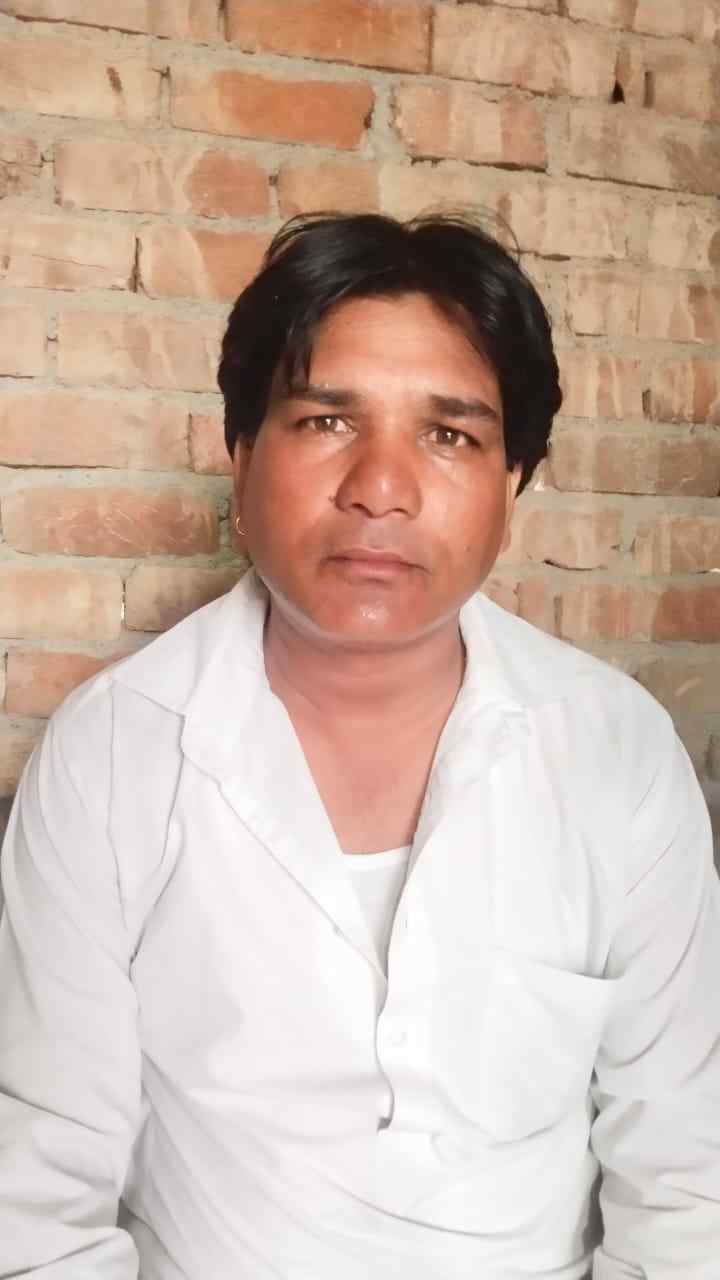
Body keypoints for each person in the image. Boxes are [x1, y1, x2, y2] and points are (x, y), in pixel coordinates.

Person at [1, 212, 718, 1280]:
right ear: (241, 456)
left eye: (449, 435)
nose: (380, 486)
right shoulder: (113, 754)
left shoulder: (616, 752)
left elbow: (687, 1180)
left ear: (514, 482)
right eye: (327, 420)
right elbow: (37, 1198)